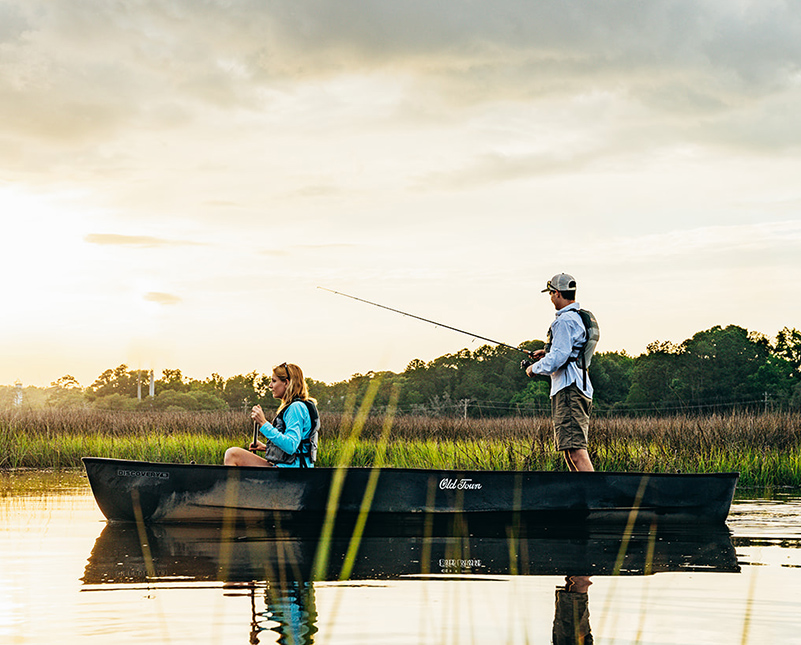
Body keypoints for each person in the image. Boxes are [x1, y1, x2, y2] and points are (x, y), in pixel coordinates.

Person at [523, 273, 595, 472]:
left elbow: (558, 359)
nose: (551, 298)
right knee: (569, 450)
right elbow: (567, 350)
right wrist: (545, 352)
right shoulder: (577, 316)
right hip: (575, 386)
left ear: (556, 293)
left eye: (551, 294)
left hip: (569, 389)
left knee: (576, 452)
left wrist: (533, 368)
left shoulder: (564, 321)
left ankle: (596, 496)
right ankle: (581, 497)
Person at [224, 362, 319, 468]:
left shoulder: (296, 408)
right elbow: (297, 448)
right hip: (289, 468)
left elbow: (291, 445)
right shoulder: (297, 406)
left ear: (286, 383)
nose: (270, 385)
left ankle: (231, 485)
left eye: (274, 381)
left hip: (290, 473)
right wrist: (266, 448)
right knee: (233, 454)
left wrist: (263, 423)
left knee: (232, 454)